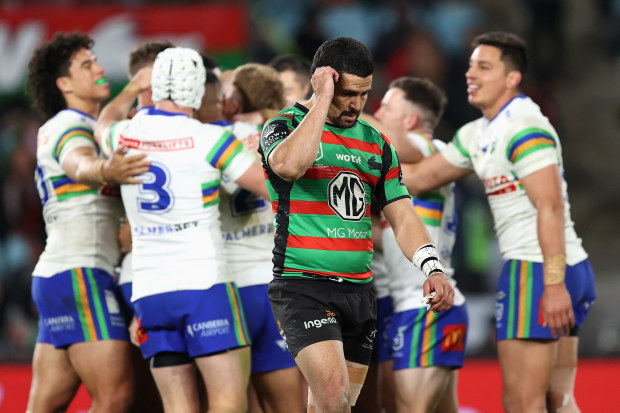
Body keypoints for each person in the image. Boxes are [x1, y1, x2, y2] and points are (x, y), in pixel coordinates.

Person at [258, 37, 454, 413]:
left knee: (330, 406)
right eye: (347, 93)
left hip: (361, 293)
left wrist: (432, 267)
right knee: (335, 400)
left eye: (364, 94)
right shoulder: (282, 127)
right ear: (323, 81)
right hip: (303, 287)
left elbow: (401, 214)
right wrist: (320, 101)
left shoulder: (376, 143)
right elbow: (288, 166)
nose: (356, 105)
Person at [403, 32, 596, 413]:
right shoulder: (478, 133)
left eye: (485, 66)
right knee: (557, 400)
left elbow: (551, 207)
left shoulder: (525, 126)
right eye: (472, 65)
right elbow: (421, 178)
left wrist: (553, 284)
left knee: (521, 403)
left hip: (539, 269)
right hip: (558, 266)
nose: (471, 73)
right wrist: (356, 155)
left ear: (512, 78)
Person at [95, 47, 270, 413]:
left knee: (178, 408)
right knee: (227, 401)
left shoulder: (123, 135)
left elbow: (103, 123)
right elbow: (271, 187)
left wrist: (129, 90)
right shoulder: (211, 140)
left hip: (149, 291)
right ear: (198, 91)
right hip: (203, 284)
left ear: (155, 86)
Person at [26, 30, 149, 412]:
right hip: (82, 272)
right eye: (86, 65)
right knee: (116, 397)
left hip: (60, 274)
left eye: (94, 61)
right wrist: (104, 169)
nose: (98, 68)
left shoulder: (91, 126)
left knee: (45, 405)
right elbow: (78, 163)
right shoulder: (68, 124)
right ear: (64, 83)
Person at [200, 62, 305, 413]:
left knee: (232, 401)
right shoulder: (289, 138)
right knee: (288, 405)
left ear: (234, 99)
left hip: (230, 284)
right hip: (277, 283)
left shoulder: (214, 137)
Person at [374, 77, 468, 412]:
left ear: (410, 121)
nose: (377, 111)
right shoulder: (395, 180)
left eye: (387, 106)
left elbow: (386, 139)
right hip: (413, 304)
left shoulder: (433, 148)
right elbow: (390, 240)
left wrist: (340, 107)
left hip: (428, 306)